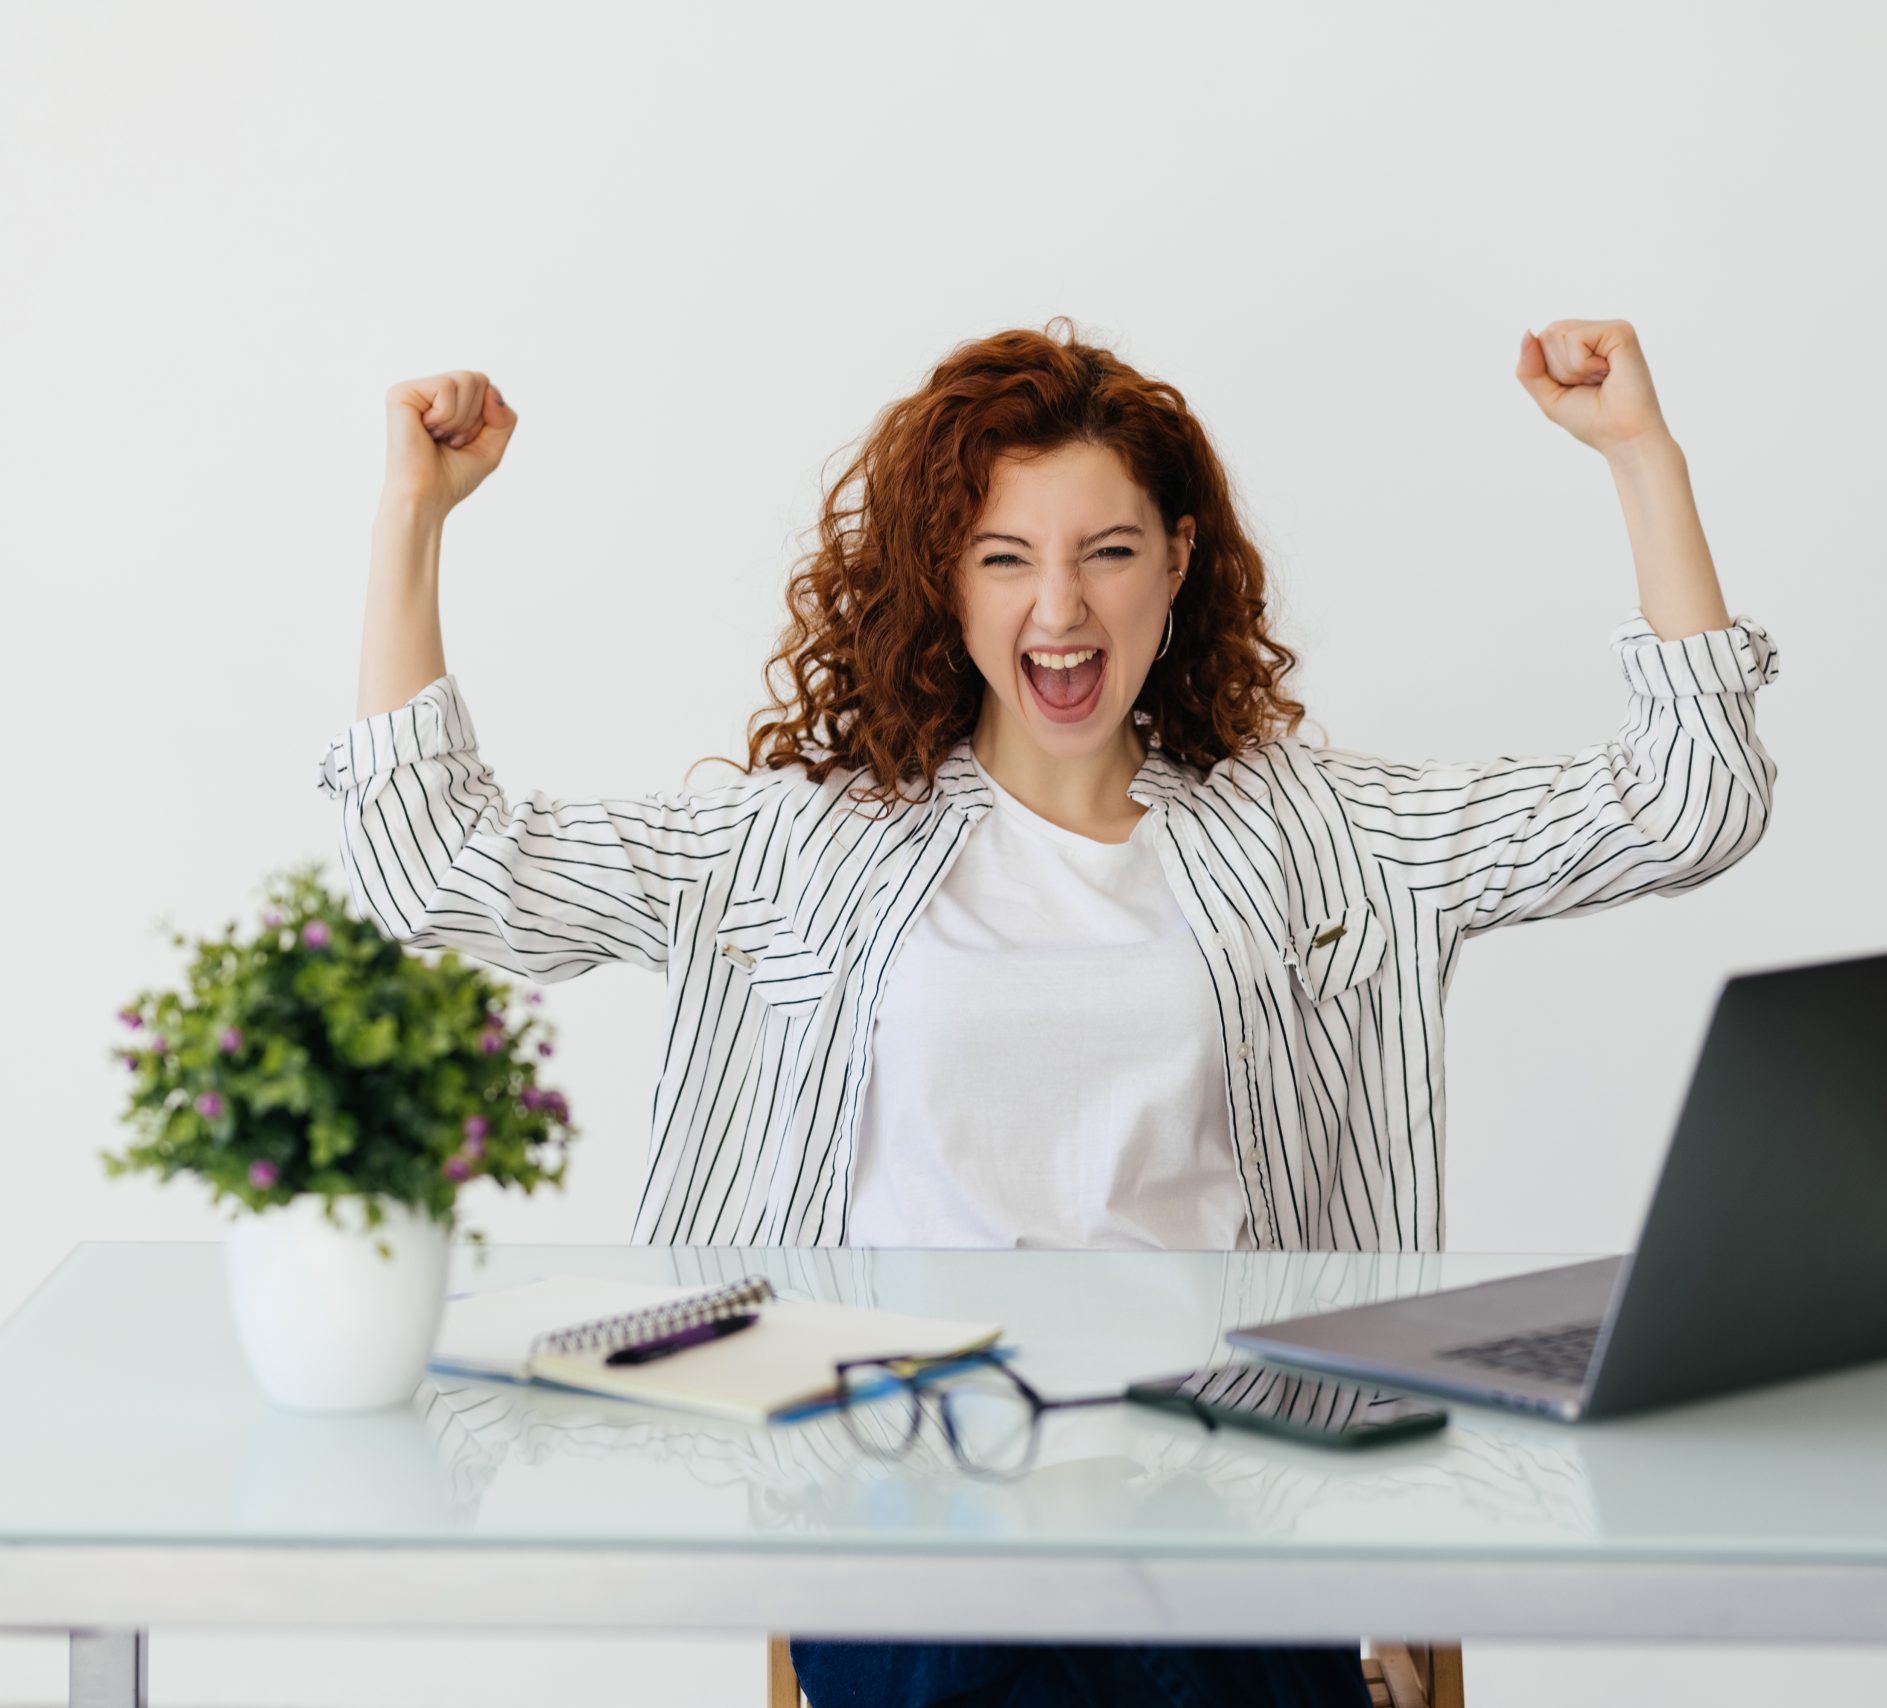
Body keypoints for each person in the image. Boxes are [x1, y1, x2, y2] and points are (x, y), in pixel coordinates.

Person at [318, 315, 1780, 1707]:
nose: (1060, 607)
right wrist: (413, 517)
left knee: (1142, 1596)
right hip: (903, 1491)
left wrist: (1642, 456)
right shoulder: (803, 849)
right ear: (944, 583)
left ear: (1180, 564)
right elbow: (428, 868)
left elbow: (1689, 804)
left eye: (1109, 553)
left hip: (1220, 1482)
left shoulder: (1320, 836)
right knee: (1024, 1611)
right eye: (1004, 557)